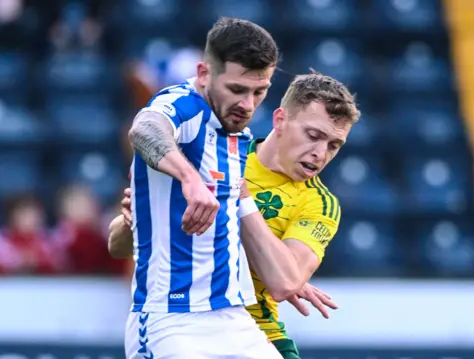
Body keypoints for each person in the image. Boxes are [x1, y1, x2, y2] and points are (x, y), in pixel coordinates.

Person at [112, 72, 361, 359]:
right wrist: (138, 218)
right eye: (314, 136)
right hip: (187, 322)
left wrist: (237, 193)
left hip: (260, 331)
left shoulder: (319, 203)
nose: (320, 153)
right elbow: (118, 248)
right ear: (280, 119)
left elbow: (283, 281)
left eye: (334, 145)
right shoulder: (215, 153)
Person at [124, 17, 282, 359]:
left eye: (260, 91)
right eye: (237, 89)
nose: (249, 104)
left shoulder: (236, 130)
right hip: (172, 319)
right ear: (204, 73)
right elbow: (145, 128)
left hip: (233, 317)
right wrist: (190, 178)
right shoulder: (185, 105)